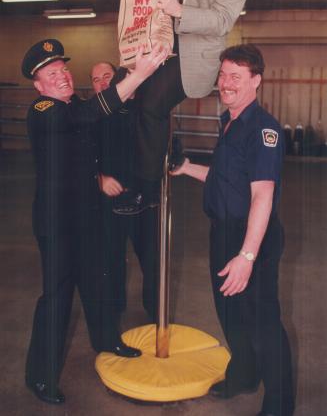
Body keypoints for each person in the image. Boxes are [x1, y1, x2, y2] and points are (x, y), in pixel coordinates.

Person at [22, 39, 167, 405]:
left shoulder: (75, 108)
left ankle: (106, 340)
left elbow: (92, 141)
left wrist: (100, 176)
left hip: (87, 216)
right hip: (57, 223)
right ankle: (39, 377)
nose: (62, 77)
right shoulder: (43, 109)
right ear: (38, 85)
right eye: (52, 74)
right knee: (56, 297)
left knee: (97, 281)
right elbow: (87, 115)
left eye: (64, 70)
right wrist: (140, 75)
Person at [171, 44, 295, 416]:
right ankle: (243, 376)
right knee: (230, 314)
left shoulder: (263, 130)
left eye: (235, 77)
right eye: (223, 75)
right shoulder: (229, 122)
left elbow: (261, 196)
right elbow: (225, 180)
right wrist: (187, 168)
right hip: (222, 233)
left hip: (251, 237)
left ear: (255, 81)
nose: (226, 84)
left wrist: (246, 256)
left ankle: (279, 405)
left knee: (263, 324)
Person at [116, 0, 251, 214]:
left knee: (151, 103)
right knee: (129, 90)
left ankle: (147, 190)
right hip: (167, 38)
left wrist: (179, 12)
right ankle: (161, 153)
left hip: (197, 57)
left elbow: (221, 21)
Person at [91, 62, 158, 319]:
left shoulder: (145, 110)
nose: (103, 83)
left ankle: (156, 317)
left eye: (107, 76)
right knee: (111, 263)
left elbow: (168, 144)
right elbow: (77, 159)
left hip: (145, 201)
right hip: (109, 204)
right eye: (96, 80)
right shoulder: (91, 116)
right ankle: (112, 317)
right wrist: (99, 178)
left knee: (152, 262)